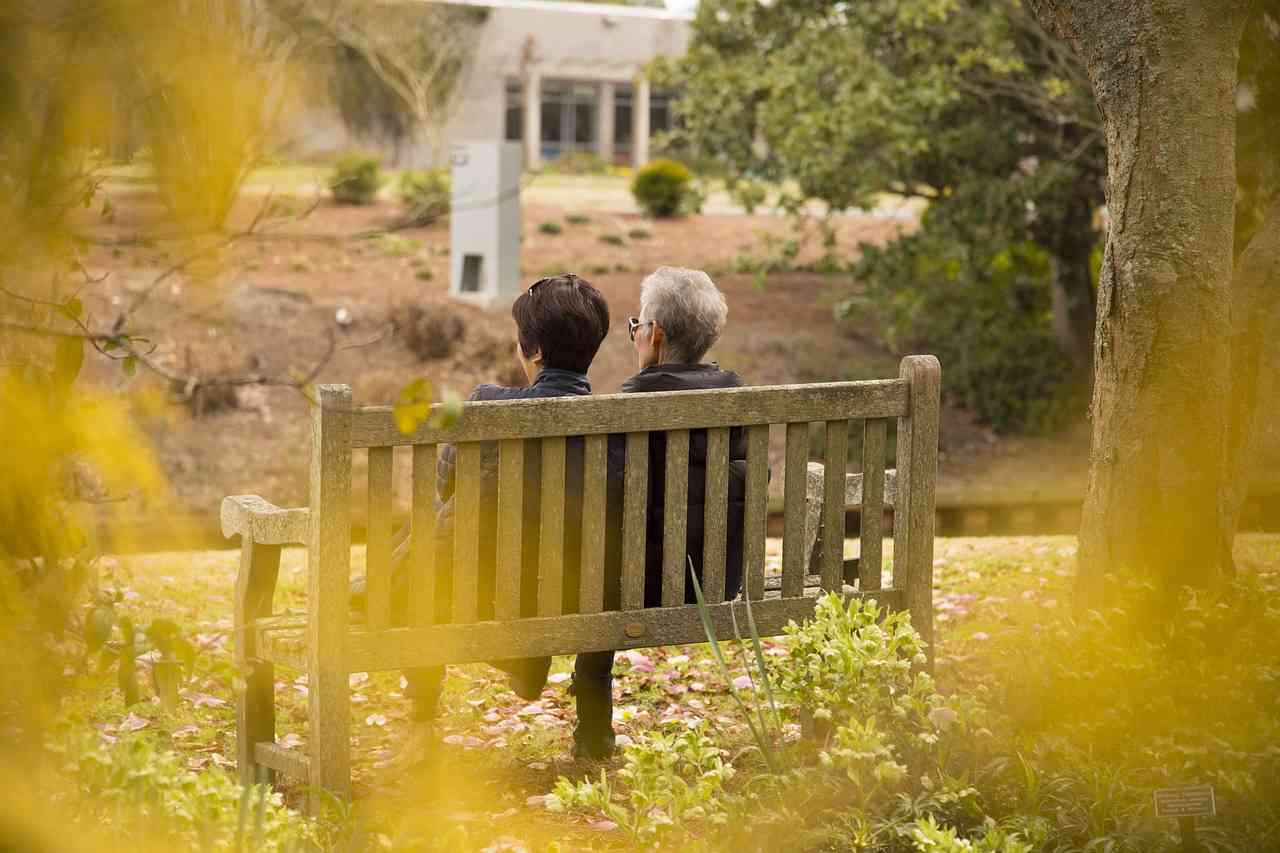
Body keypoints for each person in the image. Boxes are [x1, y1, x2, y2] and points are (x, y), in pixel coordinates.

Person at [352, 273, 610, 763]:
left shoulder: (490, 405)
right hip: (574, 592)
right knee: (436, 532)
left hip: (486, 591)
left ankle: (425, 725)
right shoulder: (614, 424)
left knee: (431, 537)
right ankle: (536, 674)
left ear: (531, 351)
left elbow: (448, 484)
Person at [577, 266, 750, 759]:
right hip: (719, 580)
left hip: (637, 587)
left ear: (654, 335)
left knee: (597, 584)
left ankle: (593, 738)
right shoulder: (741, 398)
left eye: (636, 326)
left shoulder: (627, 406)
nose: (635, 335)